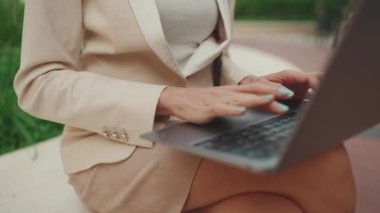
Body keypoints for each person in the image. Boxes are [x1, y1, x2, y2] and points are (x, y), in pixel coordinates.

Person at [14, 0, 355, 212]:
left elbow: (206, 55)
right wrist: (166, 98)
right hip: (120, 149)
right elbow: (39, 79)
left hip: (204, 132)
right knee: (324, 160)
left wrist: (248, 85)